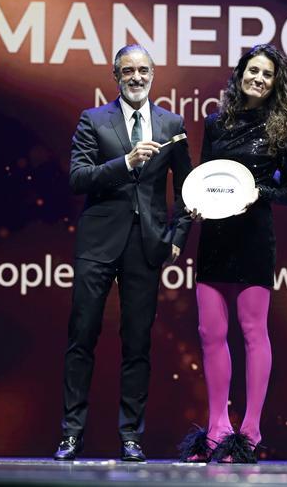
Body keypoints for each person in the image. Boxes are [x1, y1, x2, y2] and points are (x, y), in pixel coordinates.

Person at [54, 44, 192, 462]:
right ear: (115, 76)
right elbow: (78, 178)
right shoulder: (93, 119)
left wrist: (177, 236)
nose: (136, 77)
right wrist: (126, 162)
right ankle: (71, 433)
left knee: (137, 343)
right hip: (98, 242)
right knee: (82, 337)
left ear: (153, 74)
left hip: (146, 245)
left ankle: (131, 434)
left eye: (143, 70)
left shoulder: (171, 123)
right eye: (128, 70)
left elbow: (187, 188)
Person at [178, 44, 287, 464]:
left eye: (267, 74)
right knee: (209, 332)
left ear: (275, 83)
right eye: (253, 71)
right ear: (240, 74)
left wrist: (258, 192)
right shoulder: (216, 123)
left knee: (253, 331)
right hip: (215, 236)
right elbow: (204, 178)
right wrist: (196, 205)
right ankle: (217, 430)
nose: (259, 79)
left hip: (254, 237)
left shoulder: (283, 126)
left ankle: (249, 431)